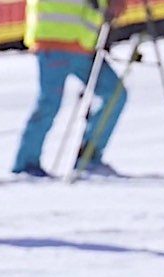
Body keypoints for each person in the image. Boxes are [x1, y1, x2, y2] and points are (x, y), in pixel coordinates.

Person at [12, 0, 129, 177]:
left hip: (84, 44)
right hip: (53, 40)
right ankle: (26, 164)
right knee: (49, 103)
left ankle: (89, 157)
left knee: (114, 93)